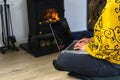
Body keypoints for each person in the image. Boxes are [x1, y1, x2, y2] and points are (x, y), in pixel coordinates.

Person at [52, 0, 120, 78]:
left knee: (62, 59)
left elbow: (108, 49)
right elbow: (115, 35)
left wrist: (87, 47)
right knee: (84, 35)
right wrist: (91, 40)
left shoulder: (113, 6)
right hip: (114, 55)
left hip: (114, 64)